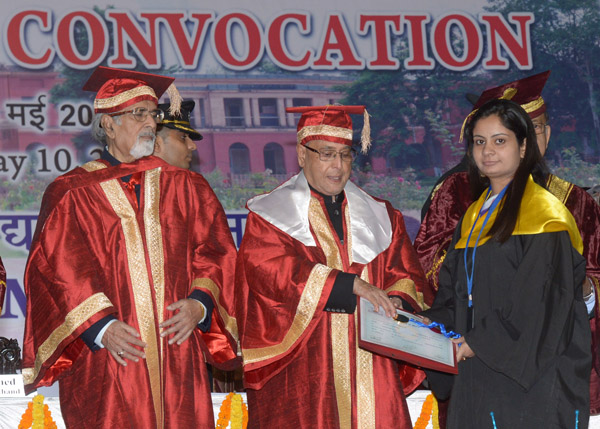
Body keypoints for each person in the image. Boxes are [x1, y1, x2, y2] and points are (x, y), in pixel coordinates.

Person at [22, 66, 239, 428]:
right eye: (138, 114)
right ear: (108, 123)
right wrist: (101, 327)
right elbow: (57, 266)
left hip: (177, 349)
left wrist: (199, 305)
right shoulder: (72, 192)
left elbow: (216, 252)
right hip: (111, 356)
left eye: (153, 113)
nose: (150, 123)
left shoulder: (186, 186)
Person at [414, 71, 600, 417]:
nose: (487, 152)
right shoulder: (474, 215)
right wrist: (420, 326)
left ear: (524, 145)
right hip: (478, 374)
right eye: (480, 142)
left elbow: (536, 305)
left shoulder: (544, 215)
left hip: (532, 384)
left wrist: (474, 343)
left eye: (500, 141)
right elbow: (456, 295)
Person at [234, 105, 430, 428]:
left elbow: (406, 273)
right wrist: (350, 284)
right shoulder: (270, 217)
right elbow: (272, 273)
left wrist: (397, 301)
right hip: (305, 372)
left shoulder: (382, 215)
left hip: (372, 367)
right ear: (301, 153)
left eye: (345, 154)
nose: (338, 166)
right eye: (326, 154)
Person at [154, 100, 202, 170]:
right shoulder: (135, 180)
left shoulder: (189, 180)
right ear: (156, 144)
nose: (193, 146)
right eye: (183, 137)